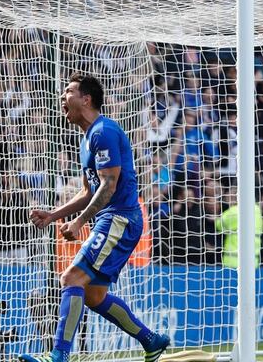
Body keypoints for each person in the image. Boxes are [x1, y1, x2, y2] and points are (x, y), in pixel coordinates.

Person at [21, 74, 170, 362]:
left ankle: (58, 357)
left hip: (120, 218)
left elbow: (109, 184)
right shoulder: (87, 139)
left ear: (86, 99)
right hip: (112, 219)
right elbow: (89, 190)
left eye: (68, 91)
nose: (62, 97)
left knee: (71, 277)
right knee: (93, 297)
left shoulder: (103, 132)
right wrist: (54, 215)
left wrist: (78, 223)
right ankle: (151, 341)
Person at [215, 187, 263, 268]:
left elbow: (219, 225)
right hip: (253, 260)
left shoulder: (233, 211)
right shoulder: (257, 210)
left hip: (233, 260)